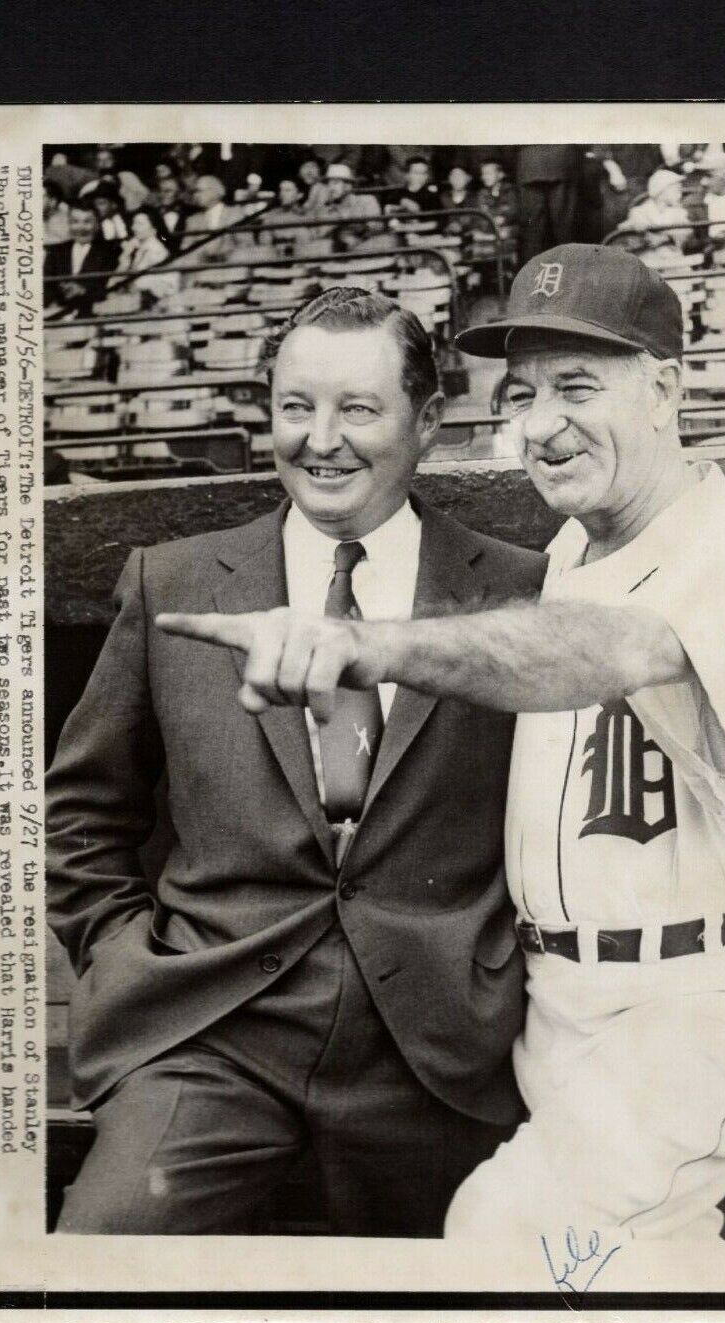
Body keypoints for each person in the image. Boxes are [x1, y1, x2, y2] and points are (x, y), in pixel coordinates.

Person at [158, 245, 725, 1256]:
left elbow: (609, 652)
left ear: (664, 390)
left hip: (700, 999)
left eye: (578, 386)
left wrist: (359, 644)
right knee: (641, 1264)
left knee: (499, 1236)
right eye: (522, 394)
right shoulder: (572, 549)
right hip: (560, 1008)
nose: (542, 423)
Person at [46, 286, 550, 1236]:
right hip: (208, 1034)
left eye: (358, 408)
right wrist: (119, 956)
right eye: (295, 406)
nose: (322, 440)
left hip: (439, 1051)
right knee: (91, 1278)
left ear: (429, 420)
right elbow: (80, 810)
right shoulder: (175, 581)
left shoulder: (519, 590)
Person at [43, 199, 122, 319]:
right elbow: (46, 286)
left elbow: (110, 287)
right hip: (57, 316)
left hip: (93, 316)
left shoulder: (111, 252)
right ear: (69, 224)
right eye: (75, 222)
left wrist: (83, 291)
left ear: (97, 224)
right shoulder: (56, 252)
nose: (81, 228)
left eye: (87, 222)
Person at [515, 145, 586, 262]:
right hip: (561, 161)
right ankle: (568, 275)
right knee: (565, 228)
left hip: (529, 163)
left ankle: (532, 277)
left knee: (531, 232)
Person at [111, 207, 179, 303]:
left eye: (139, 224)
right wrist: (126, 257)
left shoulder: (158, 251)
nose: (133, 228)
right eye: (133, 223)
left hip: (154, 302)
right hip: (132, 298)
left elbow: (159, 286)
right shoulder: (134, 247)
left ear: (154, 228)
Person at [624, 168, 693, 252]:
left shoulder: (679, 212)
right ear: (661, 192)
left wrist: (666, 238)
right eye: (676, 190)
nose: (680, 194)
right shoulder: (639, 212)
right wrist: (641, 230)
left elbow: (686, 233)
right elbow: (629, 231)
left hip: (673, 258)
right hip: (648, 259)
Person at [319, 162, 383, 249]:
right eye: (328, 184)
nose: (331, 188)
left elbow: (377, 228)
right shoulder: (326, 210)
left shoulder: (367, 200)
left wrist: (353, 232)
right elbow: (323, 237)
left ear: (348, 186)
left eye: (335, 183)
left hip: (369, 251)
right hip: (341, 258)